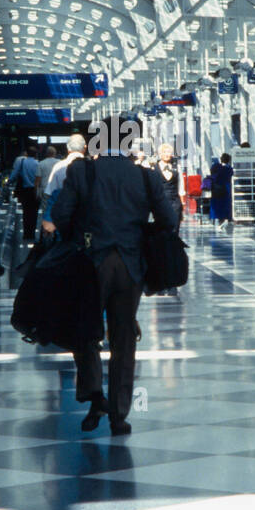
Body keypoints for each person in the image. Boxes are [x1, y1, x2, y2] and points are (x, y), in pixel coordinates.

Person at [52, 117, 178, 435]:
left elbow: (61, 215)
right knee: (123, 338)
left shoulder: (82, 171)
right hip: (130, 263)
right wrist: (138, 232)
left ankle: (95, 395)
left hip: (91, 262)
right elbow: (168, 218)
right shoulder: (145, 176)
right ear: (128, 142)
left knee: (85, 331)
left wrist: (79, 235)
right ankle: (119, 415)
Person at [40, 133, 86, 233]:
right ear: (85, 148)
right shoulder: (93, 167)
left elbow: (49, 194)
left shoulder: (59, 167)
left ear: (67, 149)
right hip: (87, 224)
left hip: (62, 224)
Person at [11, 146, 40, 241]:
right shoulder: (37, 164)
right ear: (35, 154)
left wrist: (9, 181)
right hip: (35, 190)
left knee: (26, 212)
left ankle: (26, 234)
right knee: (34, 213)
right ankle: (32, 234)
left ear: (27, 153)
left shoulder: (22, 162)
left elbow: (15, 174)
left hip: (25, 191)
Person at [154, 144, 183, 225]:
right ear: (160, 154)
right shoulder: (154, 168)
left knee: (175, 228)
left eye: (168, 152)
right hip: (160, 203)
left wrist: (182, 203)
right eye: (164, 152)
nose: (167, 154)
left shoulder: (177, 167)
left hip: (175, 202)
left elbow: (181, 186)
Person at [209, 154, 234, 226]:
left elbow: (212, 173)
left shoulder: (215, 166)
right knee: (225, 204)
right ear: (228, 160)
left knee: (215, 203)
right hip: (226, 188)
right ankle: (225, 217)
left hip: (215, 188)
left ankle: (214, 217)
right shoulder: (229, 168)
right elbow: (231, 174)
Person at [35, 145, 59, 210]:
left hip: (45, 190)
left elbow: (38, 180)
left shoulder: (41, 163)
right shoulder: (60, 163)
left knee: (46, 211)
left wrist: (37, 192)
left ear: (46, 154)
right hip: (57, 189)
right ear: (55, 153)